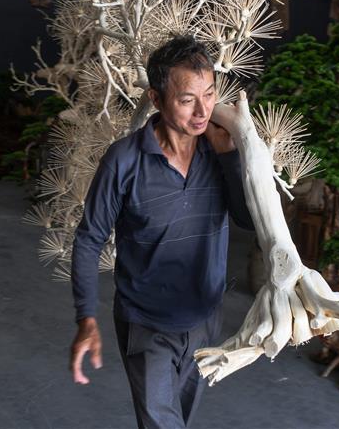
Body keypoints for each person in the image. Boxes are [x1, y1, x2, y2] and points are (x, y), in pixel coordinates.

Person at [68, 35, 254, 428]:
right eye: (187, 100)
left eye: (209, 94)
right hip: (146, 323)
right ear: (156, 98)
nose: (203, 111)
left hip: (205, 319)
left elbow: (247, 219)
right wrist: (86, 317)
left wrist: (230, 158)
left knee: (180, 419)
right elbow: (89, 238)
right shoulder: (123, 161)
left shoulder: (218, 149)